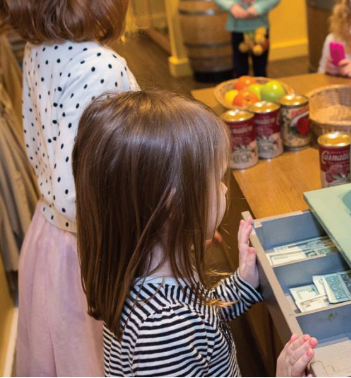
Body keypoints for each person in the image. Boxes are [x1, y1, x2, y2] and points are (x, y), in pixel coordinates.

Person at [0, 0, 141, 375]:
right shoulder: (99, 67)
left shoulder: (41, 48)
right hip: (92, 255)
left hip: (50, 243)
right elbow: (91, 192)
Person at [73, 91, 317, 376]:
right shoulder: (163, 328)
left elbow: (202, 319)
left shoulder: (151, 275)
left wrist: (242, 283)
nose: (224, 188)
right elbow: (190, 327)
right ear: (174, 204)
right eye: (216, 179)